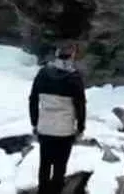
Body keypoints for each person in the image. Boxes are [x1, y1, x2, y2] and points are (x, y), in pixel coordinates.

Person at [28, 41, 86, 194]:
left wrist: (35, 122)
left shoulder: (42, 74)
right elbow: (80, 105)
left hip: (45, 128)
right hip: (65, 131)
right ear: (71, 56)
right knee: (60, 167)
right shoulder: (74, 78)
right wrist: (80, 127)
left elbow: (33, 99)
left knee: (45, 164)